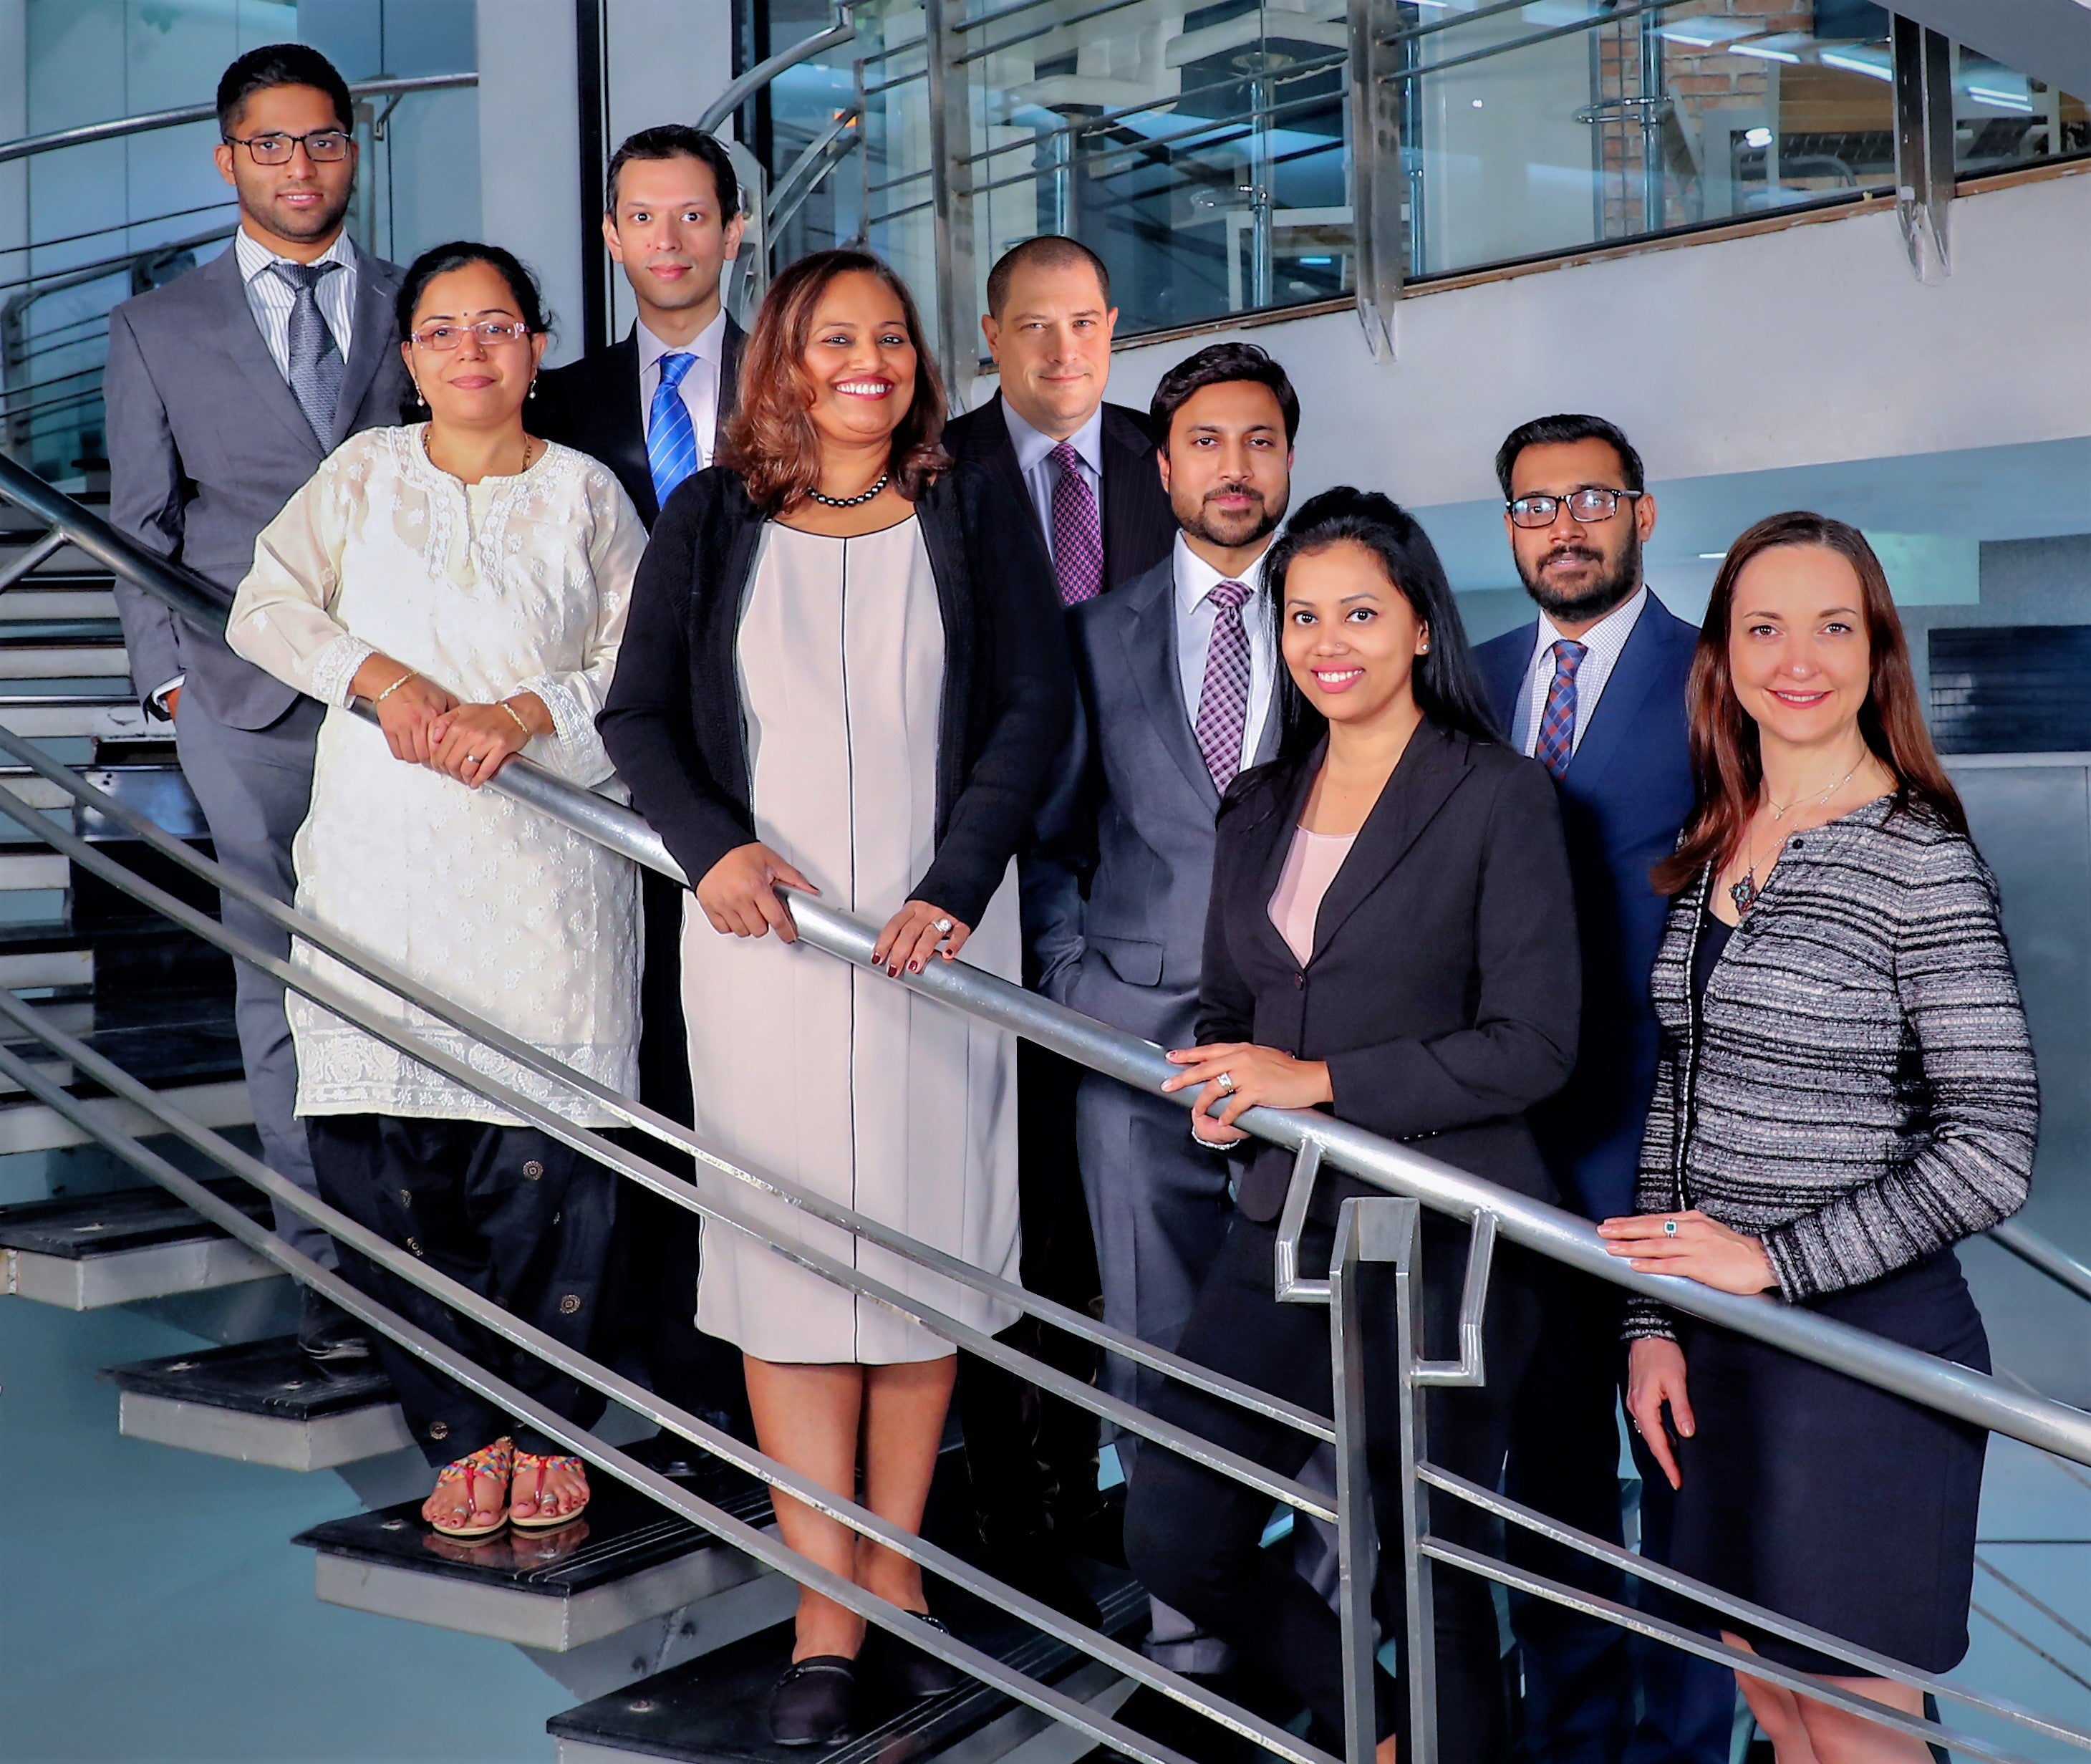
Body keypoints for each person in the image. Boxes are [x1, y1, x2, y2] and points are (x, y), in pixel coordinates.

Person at [597, 249, 1070, 1746]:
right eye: (832, 339)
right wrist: (711, 847)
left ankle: (897, 1572)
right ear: (782, 364)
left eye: (887, 338)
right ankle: (823, 1612)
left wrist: (960, 874)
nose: (866, 360)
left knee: (918, 1264)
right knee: (792, 1272)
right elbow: (638, 715)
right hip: (765, 948)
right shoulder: (707, 517)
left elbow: (1029, 706)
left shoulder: (971, 508)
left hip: (939, 941)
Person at [1125, 488, 1580, 1763]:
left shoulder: (1498, 797)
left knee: (1427, 1570)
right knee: (1172, 1528)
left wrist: (1310, 1081)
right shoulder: (1257, 804)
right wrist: (1225, 1095)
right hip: (1284, 1221)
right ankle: (1378, 1728)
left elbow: (1533, 1047)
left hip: (1447, 1230)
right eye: (1304, 614)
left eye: (1362, 614)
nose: (1330, 641)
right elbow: (1230, 1005)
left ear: (1423, 628)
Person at [1602, 512, 2037, 1763]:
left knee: (1859, 1733)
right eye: (1766, 626)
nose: (1800, 657)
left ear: (1876, 648)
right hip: (1721, 1359)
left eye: (1833, 625)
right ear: (1725, 656)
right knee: (1776, 1709)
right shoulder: (1718, 840)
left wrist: (1773, 1262)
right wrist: (1653, 1324)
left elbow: (1993, 1142)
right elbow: (1677, 1099)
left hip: (1865, 1359)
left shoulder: (1921, 861)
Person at [226, 242, 645, 1540]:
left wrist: (527, 712)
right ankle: (460, 1435)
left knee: (544, 1182)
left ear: (534, 349)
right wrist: (383, 681)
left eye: (499, 327)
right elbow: (263, 607)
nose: (472, 351)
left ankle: (546, 1426)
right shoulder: (359, 478)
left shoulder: (589, 495)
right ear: (408, 360)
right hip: (383, 875)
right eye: (444, 331)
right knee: (390, 1178)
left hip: (547, 888)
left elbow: (640, 671)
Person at [105, 43, 414, 1362]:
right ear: (228, 157)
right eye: (272, 144)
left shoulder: (426, 307)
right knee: (279, 978)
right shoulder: (155, 326)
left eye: (325, 140)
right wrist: (169, 678)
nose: (301, 166)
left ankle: (431, 1240)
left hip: (409, 701)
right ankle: (326, 1265)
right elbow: (138, 523)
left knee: (420, 972)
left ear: (353, 149)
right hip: (243, 699)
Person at [1028, 342, 1294, 1699]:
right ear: (1162, 461)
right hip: (1132, 1067)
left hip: (1309, 1079)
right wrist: (1082, 998)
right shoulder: (1093, 634)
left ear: (1288, 461)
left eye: (1259, 442)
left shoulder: (1343, 617)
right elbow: (1054, 845)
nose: (1234, 469)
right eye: (1207, 443)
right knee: (1151, 1362)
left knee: (1317, 1376)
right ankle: (1191, 1657)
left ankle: (1307, 1626)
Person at [1471, 415, 1732, 1763]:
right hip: (1517, 1145)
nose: (1561, 526)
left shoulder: (1715, 679)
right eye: (1532, 507)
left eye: (1587, 499)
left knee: (1691, 1467)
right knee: (1554, 1468)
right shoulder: (1474, 673)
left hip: (1675, 1127)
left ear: (1638, 509)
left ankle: (1693, 1743)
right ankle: (1572, 1737)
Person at [943, 233, 1177, 1605]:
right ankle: (1022, 1496)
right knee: (1013, 1191)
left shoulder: (1169, 460)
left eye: (1085, 324)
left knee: (1126, 1202)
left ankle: (1126, 1497)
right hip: (994, 872)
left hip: (1150, 882)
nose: (1063, 353)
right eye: (1033, 328)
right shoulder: (941, 472)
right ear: (992, 335)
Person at [531, 122, 752, 1465]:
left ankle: (758, 1357)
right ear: (611, 237)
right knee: (644, 1064)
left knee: (753, 1081)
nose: (668, 242)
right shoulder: (557, 401)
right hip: (608, 782)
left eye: (693, 217)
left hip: (775, 774)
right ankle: (674, 1367)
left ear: (734, 232)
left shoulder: (802, 380)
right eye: (642, 219)